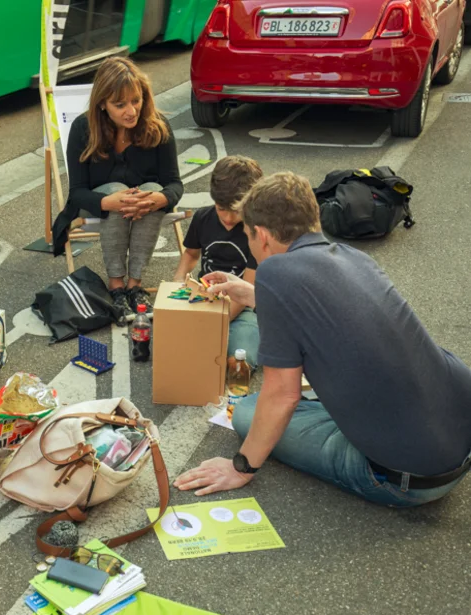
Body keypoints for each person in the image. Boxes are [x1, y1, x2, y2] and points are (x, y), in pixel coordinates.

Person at [174, 172, 471, 506]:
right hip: (455, 439)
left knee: (248, 411)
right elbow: (313, 310)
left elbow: (282, 395)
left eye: (248, 236)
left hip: (406, 478)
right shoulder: (352, 256)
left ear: (262, 235)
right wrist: (253, 293)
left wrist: (241, 467)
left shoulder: (274, 271)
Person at [51, 57, 184, 323]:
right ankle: (116, 285)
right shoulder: (83, 129)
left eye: (136, 101)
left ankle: (135, 285)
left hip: (144, 205)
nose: (131, 111)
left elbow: (174, 184)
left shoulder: (157, 126)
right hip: (99, 202)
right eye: (120, 104)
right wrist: (109, 202)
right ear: (103, 104)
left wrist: (159, 198)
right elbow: (76, 192)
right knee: (116, 189)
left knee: (152, 190)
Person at [173, 156, 263, 367]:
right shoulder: (203, 218)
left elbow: (245, 292)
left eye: (236, 211)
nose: (229, 218)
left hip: (243, 308)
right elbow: (191, 255)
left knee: (239, 361)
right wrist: (178, 282)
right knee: (170, 342)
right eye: (222, 208)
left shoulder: (257, 232)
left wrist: (214, 324)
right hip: (202, 297)